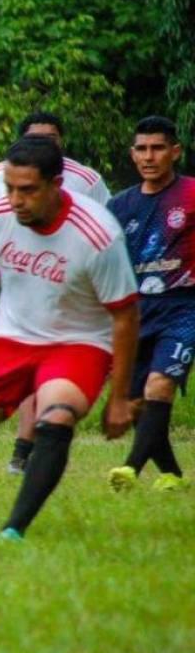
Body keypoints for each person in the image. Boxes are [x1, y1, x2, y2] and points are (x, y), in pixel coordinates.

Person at [0, 136, 139, 541]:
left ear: (56, 185)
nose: (16, 200)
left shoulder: (98, 235)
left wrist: (120, 397)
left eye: (28, 190)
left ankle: (14, 529)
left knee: (56, 417)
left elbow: (125, 316)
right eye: (9, 188)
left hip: (78, 343)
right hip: (9, 338)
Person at [0, 112, 112, 476]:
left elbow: (111, 232)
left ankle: (25, 451)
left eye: (52, 138)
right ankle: (18, 451)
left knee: (50, 385)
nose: (45, 144)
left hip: (68, 302)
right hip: (15, 294)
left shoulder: (87, 182)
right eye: (36, 138)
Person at [106, 116, 195, 492]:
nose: (149, 156)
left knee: (160, 386)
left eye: (157, 148)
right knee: (137, 402)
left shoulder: (191, 194)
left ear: (175, 152)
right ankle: (172, 474)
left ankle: (129, 469)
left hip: (184, 307)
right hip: (135, 312)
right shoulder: (118, 206)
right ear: (132, 154)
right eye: (141, 149)